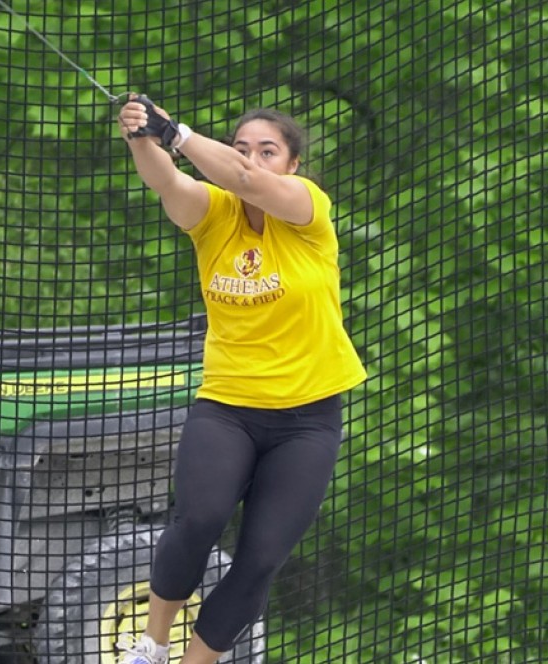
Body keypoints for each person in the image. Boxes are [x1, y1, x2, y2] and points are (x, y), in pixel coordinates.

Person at [113, 95, 367, 664]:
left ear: (292, 165)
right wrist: (142, 137)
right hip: (228, 406)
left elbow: (248, 181)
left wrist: (175, 130)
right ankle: (153, 642)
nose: (253, 159)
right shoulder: (215, 213)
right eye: (242, 148)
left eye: (268, 151)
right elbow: (169, 186)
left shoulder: (305, 208)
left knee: (260, 558)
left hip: (308, 420)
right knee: (199, 518)